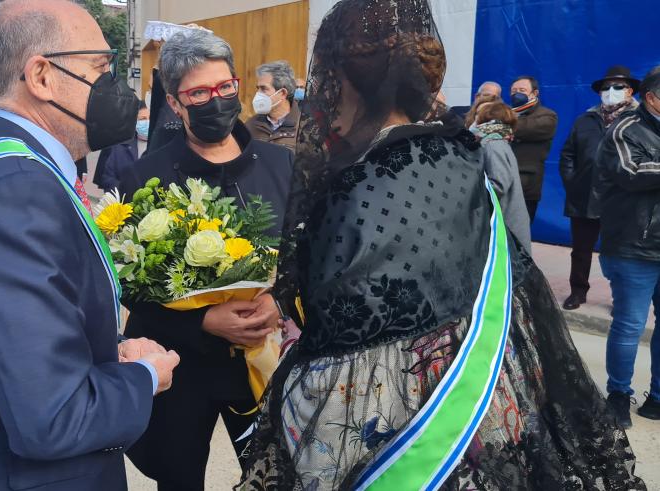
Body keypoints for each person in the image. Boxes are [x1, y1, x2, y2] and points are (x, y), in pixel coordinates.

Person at [236, 1, 646, 489]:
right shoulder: (458, 153)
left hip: (406, 438)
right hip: (486, 411)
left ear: (346, 81)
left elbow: (336, 354)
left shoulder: (361, 183)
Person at [0, 1, 180, 488]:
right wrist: (147, 375)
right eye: (101, 68)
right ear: (42, 76)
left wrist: (105, 350)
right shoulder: (13, 190)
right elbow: (54, 415)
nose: (117, 89)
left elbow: (10, 337)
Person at [118, 30, 290, 491]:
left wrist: (280, 302)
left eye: (224, 87)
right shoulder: (144, 177)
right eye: (199, 93)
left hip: (263, 364)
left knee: (275, 476)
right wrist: (203, 322)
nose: (216, 100)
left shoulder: (282, 165)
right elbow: (131, 286)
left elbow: (307, 256)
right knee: (179, 479)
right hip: (183, 369)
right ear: (175, 103)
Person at [593, 66, 660, 429]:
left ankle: (658, 397)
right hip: (634, 245)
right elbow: (631, 173)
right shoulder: (623, 129)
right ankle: (618, 394)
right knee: (630, 325)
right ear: (651, 98)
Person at [559, 66, 640, 311]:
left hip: (622, 200)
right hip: (583, 196)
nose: (610, 91)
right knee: (581, 250)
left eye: (617, 87)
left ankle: (621, 299)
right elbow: (567, 154)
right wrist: (572, 182)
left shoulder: (639, 120)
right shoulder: (585, 119)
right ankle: (577, 292)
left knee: (620, 254)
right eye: (606, 87)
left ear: (630, 91)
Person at [470, 99, 531, 252]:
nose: (474, 119)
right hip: (506, 222)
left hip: (504, 223)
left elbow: (498, 184)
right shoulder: (498, 142)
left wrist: (468, 197)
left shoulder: (492, 144)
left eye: (478, 115)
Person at [509, 75, 558, 222]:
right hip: (502, 180)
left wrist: (502, 124)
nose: (517, 93)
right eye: (513, 90)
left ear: (534, 93)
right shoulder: (507, 113)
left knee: (519, 231)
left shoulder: (547, 115)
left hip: (526, 184)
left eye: (522, 90)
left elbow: (525, 128)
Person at [92, 101, 148, 192]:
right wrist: (126, 191)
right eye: (142, 119)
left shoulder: (160, 145)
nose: (147, 122)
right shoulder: (120, 146)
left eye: (150, 118)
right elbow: (108, 178)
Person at [247, 60, 301, 151]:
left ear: (283, 93)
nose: (258, 94)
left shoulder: (305, 127)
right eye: (258, 88)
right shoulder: (251, 125)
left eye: (263, 89)